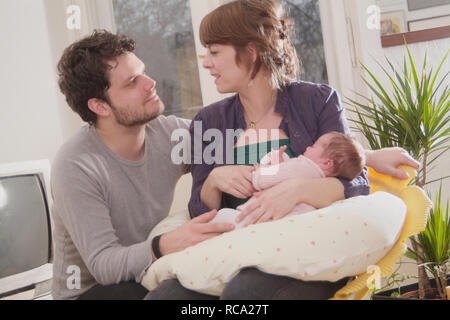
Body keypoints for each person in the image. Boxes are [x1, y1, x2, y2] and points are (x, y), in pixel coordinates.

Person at [176, 0, 421, 300]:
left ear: (251, 52)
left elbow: (355, 186)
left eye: (214, 52)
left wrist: (297, 190)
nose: (205, 62)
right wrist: (214, 179)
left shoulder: (317, 101)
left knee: (245, 293)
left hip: (309, 258)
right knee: (165, 296)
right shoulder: (209, 121)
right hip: (237, 254)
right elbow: (199, 212)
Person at [51, 30, 235, 300]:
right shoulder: (76, 165)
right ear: (100, 106)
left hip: (145, 273)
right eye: (132, 82)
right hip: (90, 293)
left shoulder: (168, 135)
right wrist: (168, 243)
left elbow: (237, 143)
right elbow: (104, 265)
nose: (150, 83)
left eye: (143, 72)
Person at [211, 131, 366, 229]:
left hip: (257, 220)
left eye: (314, 146)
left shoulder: (305, 165)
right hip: (284, 223)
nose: (307, 148)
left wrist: (256, 174)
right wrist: (277, 163)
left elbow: (265, 180)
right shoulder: (315, 178)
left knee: (222, 215)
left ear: (327, 163)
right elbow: (283, 176)